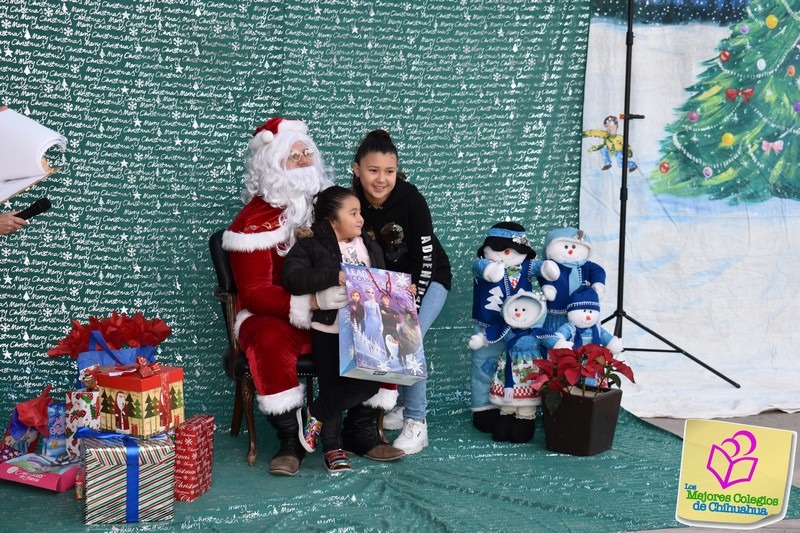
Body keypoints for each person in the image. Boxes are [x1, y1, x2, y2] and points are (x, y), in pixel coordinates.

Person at [222, 117, 333, 476]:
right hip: (272, 316)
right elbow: (253, 293)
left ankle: (362, 428)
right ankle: (290, 439)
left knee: (378, 326)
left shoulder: (333, 208)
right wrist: (308, 305)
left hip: (332, 309)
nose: (304, 161)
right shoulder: (252, 222)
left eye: (307, 153)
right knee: (267, 340)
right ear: (272, 167)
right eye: (293, 156)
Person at [282, 186, 404, 472]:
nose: (361, 218)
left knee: (369, 382)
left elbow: (382, 281)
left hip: (367, 332)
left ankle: (313, 412)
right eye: (353, 213)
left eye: (360, 212)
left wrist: (401, 290)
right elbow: (292, 277)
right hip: (330, 331)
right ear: (331, 221)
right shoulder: (310, 245)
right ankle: (333, 447)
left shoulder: (370, 246)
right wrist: (330, 276)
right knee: (333, 386)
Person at [352, 129, 452, 455]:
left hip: (429, 279)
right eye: (373, 170)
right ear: (357, 170)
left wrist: (414, 303)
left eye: (389, 171)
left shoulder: (411, 199)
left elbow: (426, 258)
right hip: (388, 288)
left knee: (410, 338)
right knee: (385, 338)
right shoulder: (353, 202)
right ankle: (400, 405)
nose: (381, 179)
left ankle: (417, 422)